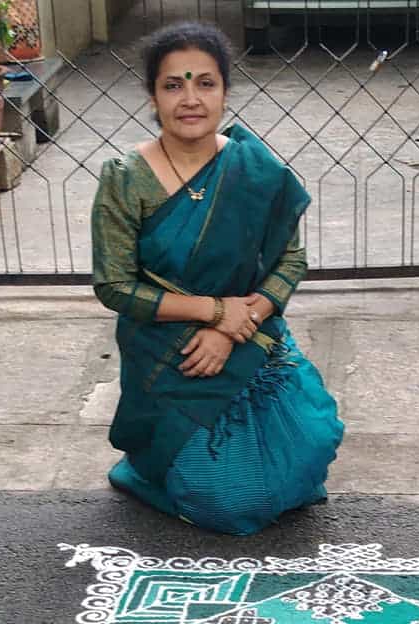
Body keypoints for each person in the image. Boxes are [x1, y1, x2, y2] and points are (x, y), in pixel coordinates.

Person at [91, 21, 343, 536]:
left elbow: (290, 263)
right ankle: (153, 466)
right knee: (230, 500)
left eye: (205, 83)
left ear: (225, 92)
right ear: (152, 94)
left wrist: (235, 323)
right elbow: (114, 285)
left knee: (311, 446)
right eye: (173, 84)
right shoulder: (124, 179)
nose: (190, 98)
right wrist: (211, 311)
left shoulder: (253, 168)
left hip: (249, 334)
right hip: (168, 350)